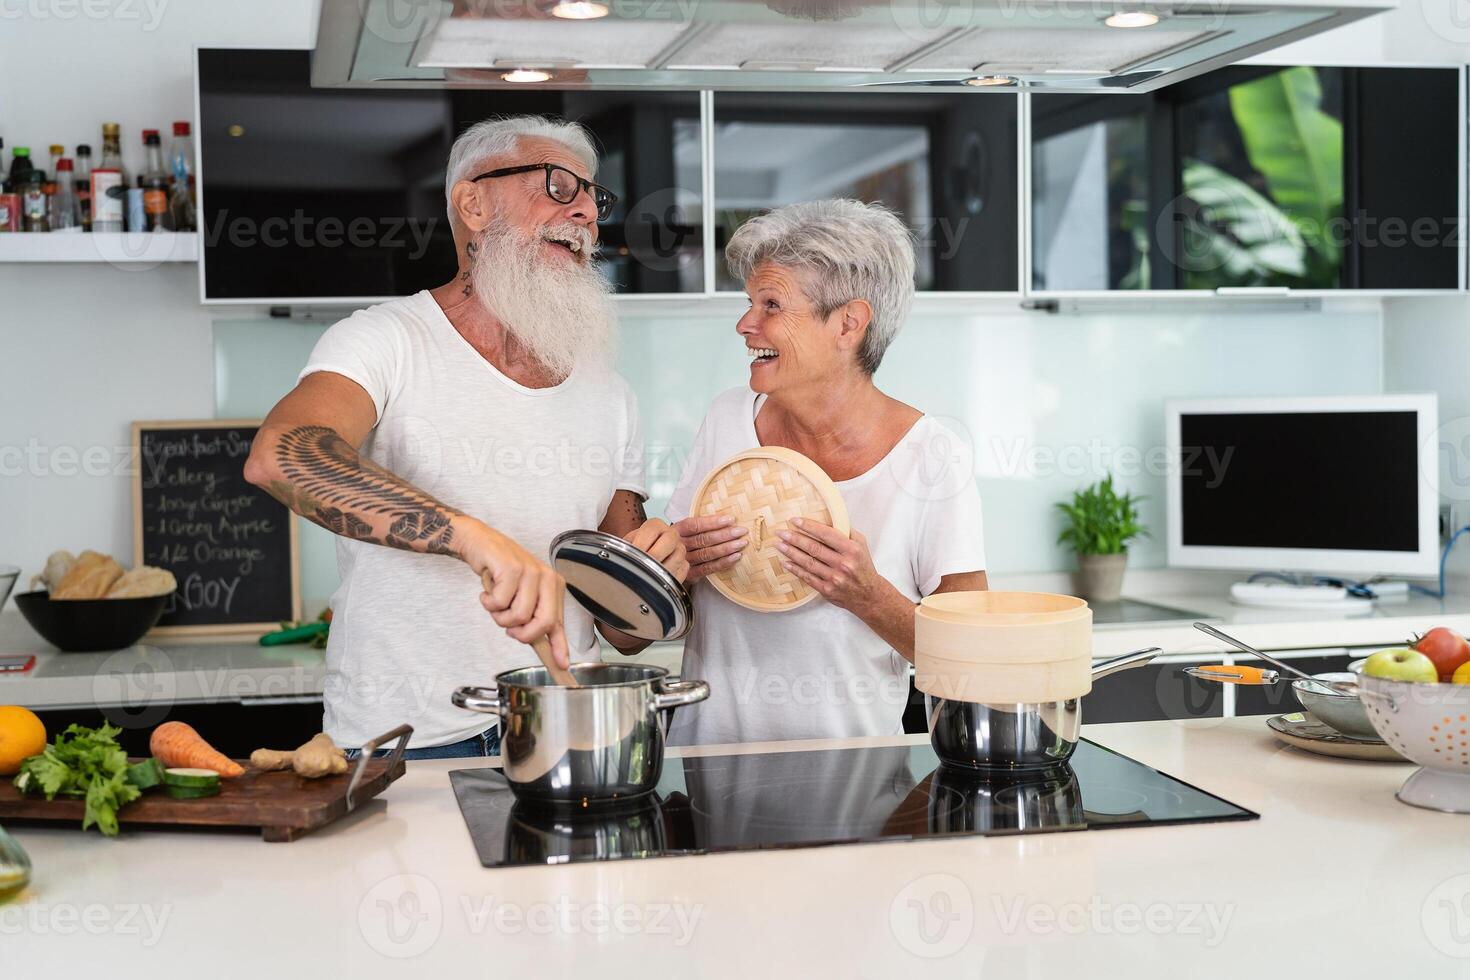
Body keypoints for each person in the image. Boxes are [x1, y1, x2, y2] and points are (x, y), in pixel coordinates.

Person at [244, 116, 687, 759]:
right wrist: (472, 538)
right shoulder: (384, 340)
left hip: (568, 734)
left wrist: (661, 574)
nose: (588, 210)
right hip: (409, 740)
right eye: (560, 187)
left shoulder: (610, 393)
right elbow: (280, 456)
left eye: (594, 196)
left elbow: (625, 633)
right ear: (473, 204)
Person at [666, 199, 988, 746]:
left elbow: (976, 660)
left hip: (855, 790)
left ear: (848, 323)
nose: (746, 324)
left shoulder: (932, 456)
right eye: (750, 303)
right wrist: (678, 564)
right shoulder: (726, 417)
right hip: (704, 778)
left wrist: (868, 595)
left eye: (771, 305)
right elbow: (653, 608)